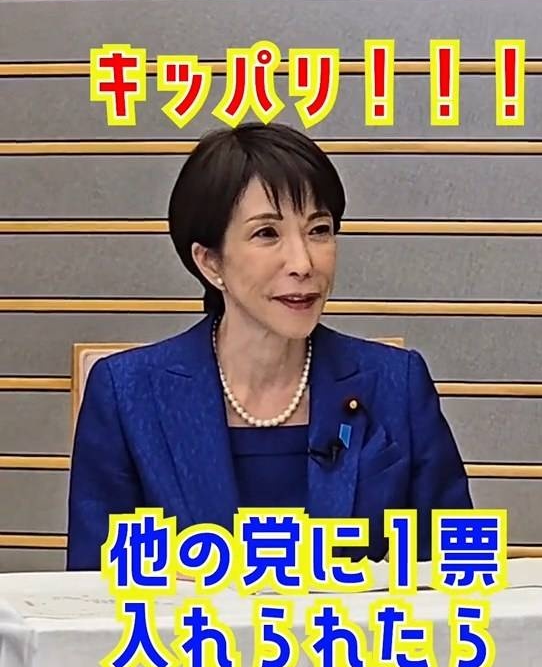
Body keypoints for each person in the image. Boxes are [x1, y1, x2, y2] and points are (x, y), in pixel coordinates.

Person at [66, 121, 472, 570]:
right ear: (210, 262)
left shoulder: (397, 383)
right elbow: (92, 592)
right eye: (267, 234)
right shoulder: (128, 395)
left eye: (319, 230)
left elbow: (455, 565)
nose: (303, 263)